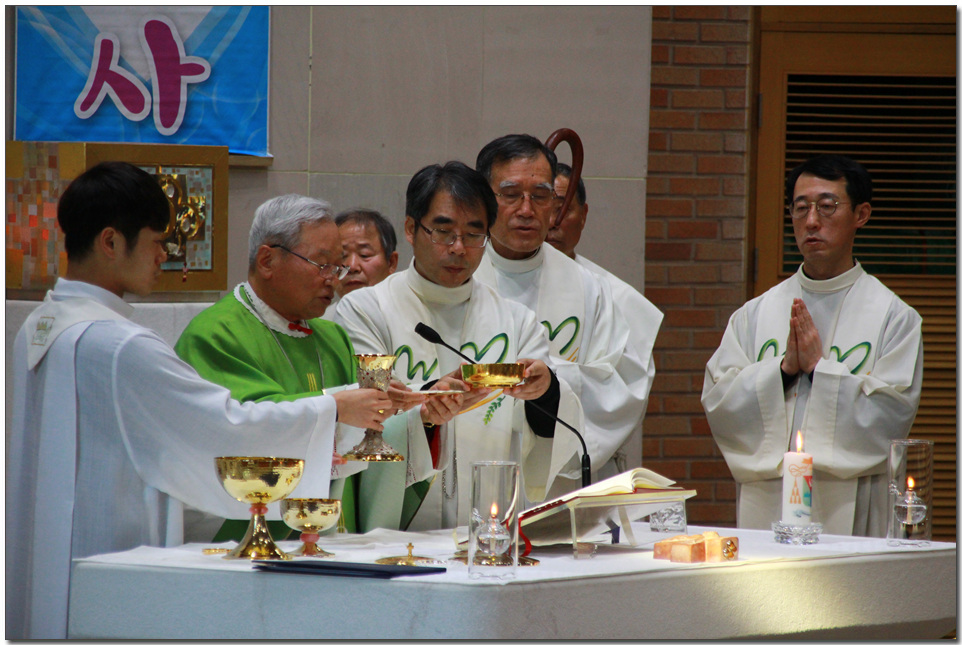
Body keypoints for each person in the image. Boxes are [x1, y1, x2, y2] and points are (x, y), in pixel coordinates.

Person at [7, 163, 398, 639]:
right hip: (111, 551)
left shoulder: (41, 326)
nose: (164, 256)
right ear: (111, 242)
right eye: (156, 242)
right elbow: (226, 429)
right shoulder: (118, 344)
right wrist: (334, 408)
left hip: (49, 546)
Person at [334, 161, 583, 530]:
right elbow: (365, 417)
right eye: (443, 232)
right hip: (396, 532)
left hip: (488, 529)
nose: (458, 248)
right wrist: (426, 409)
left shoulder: (516, 321)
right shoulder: (366, 310)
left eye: (473, 234)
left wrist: (544, 390)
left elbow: (547, 434)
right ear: (411, 228)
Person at [175, 195, 422, 538]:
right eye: (322, 264)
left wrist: (420, 411)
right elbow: (239, 428)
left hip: (331, 538)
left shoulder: (333, 337)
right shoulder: (215, 334)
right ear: (267, 260)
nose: (334, 279)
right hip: (247, 537)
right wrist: (335, 407)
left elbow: (363, 445)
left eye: (337, 267)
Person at [701, 154, 923, 537]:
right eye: (800, 208)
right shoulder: (754, 315)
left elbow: (891, 418)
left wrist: (820, 370)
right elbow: (719, 403)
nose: (811, 221)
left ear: (861, 214)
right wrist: (782, 371)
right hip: (768, 501)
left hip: (854, 503)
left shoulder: (894, 318)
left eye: (827, 206)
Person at [472, 134, 651, 490]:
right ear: (483, 199)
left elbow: (622, 387)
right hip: (473, 473)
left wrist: (550, 384)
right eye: (511, 194)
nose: (527, 210)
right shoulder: (458, 278)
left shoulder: (588, 288)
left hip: (557, 487)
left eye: (541, 196)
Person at [548, 163, 664, 468]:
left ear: (584, 215)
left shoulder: (614, 296)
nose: (552, 221)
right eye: (544, 207)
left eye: (563, 209)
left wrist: (547, 381)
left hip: (586, 472)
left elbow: (626, 397)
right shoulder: (483, 285)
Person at [334, 207, 399, 298]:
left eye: (364, 255)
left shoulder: (408, 306)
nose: (352, 266)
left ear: (391, 263)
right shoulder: (321, 308)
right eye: (342, 256)